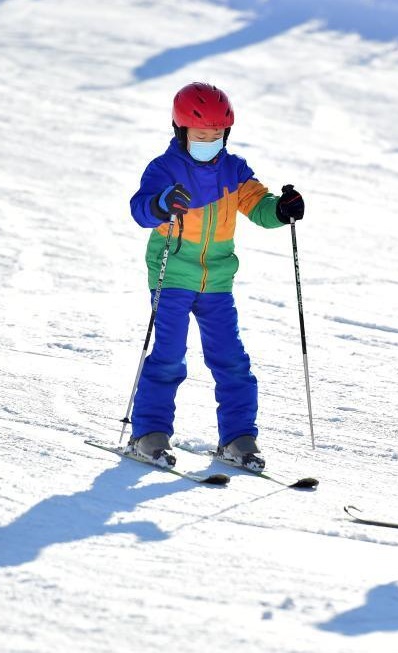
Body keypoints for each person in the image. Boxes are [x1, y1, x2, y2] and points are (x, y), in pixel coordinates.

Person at [127, 82, 305, 472]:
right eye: (200, 134)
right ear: (181, 131)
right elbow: (140, 210)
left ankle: (239, 438)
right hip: (172, 274)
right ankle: (149, 433)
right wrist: (161, 204)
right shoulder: (164, 169)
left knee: (231, 359)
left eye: (217, 134)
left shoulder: (233, 170)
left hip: (217, 280)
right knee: (170, 355)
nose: (209, 141)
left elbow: (258, 205)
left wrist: (282, 209)